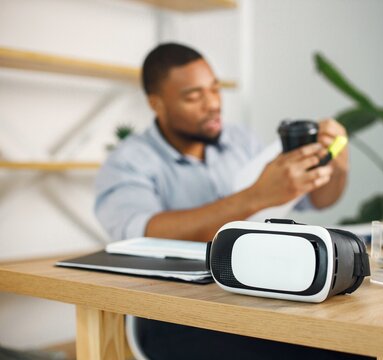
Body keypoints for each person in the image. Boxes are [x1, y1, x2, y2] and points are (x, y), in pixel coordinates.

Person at [95, 43, 361, 360]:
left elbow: (317, 201)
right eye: (194, 96)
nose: (212, 104)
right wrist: (256, 196)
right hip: (176, 312)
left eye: (215, 90)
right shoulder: (128, 161)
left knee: (360, 342)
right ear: (157, 104)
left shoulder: (240, 141)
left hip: (264, 289)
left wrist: (338, 166)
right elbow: (140, 233)